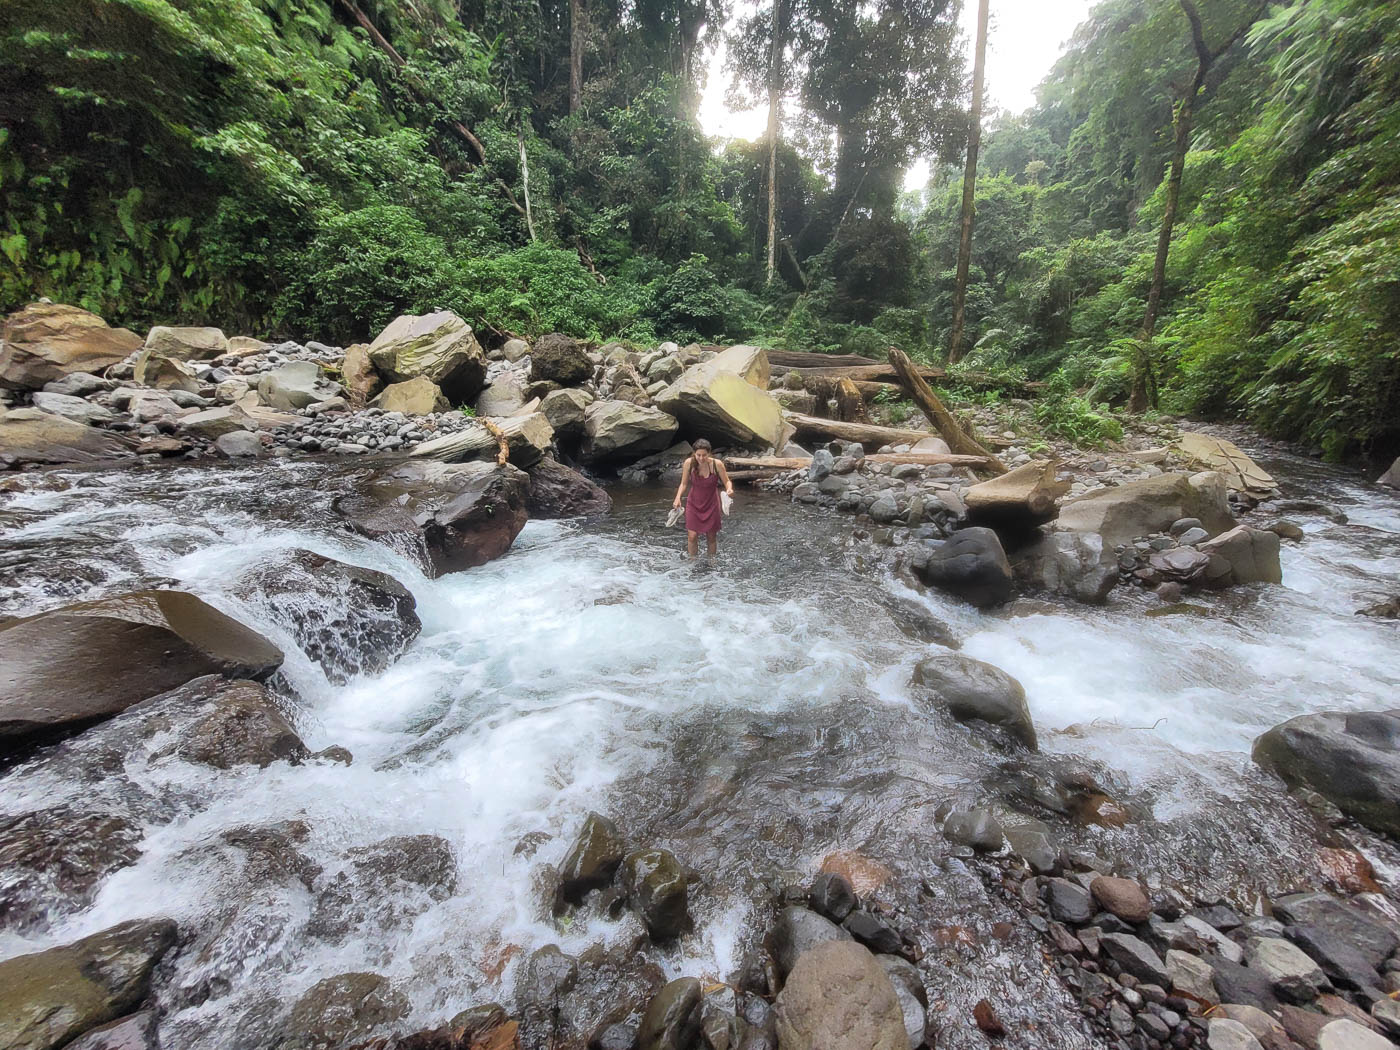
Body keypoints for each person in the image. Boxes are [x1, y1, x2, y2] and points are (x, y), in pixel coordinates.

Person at [673, 438, 734, 559]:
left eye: (704, 455)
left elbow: (727, 481)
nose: (701, 458)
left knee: (711, 536)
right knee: (692, 535)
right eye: (698, 455)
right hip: (693, 504)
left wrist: (729, 489)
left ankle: (711, 562)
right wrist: (677, 497)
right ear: (694, 454)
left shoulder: (717, 465)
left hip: (711, 504)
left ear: (709, 453)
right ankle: (692, 560)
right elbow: (683, 484)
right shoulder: (689, 463)